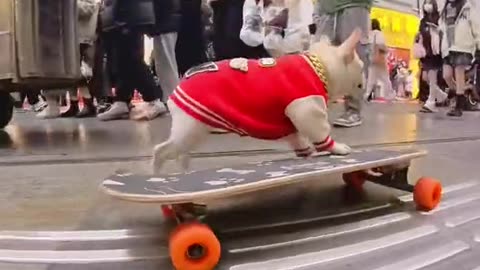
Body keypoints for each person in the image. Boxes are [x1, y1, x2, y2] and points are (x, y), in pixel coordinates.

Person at [97, 0, 167, 121]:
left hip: (127, 14)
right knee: (121, 61)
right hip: (123, 14)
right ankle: (121, 100)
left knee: (132, 60)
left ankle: (154, 99)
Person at [313, 0, 372, 127]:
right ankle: (314, 107)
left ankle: (353, 110)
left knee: (353, 55)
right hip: (326, 8)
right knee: (319, 55)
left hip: (354, 5)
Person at [439, 0, 480, 117]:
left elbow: (477, 27)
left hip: (463, 45)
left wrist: (478, 46)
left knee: (459, 72)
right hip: (448, 46)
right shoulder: (445, 9)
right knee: (446, 75)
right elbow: (442, 27)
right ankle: (461, 90)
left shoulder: (468, 7)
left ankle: (459, 106)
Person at [240, 0, 313, 57]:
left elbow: (298, 45)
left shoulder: (303, 5)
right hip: (270, 60)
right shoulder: (254, 3)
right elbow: (250, 38)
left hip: (301, 58)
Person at [416, 0, 448, 112]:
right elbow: (420, 35)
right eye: (426, 3)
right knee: (426, 78)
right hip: (425, 52)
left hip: (435, 51)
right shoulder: (423, 21)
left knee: (432, 77)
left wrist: (437, 31)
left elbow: (443, 32)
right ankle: (441, 95)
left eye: (429, 2)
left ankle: (431, 102)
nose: (427, 5)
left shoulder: (439, 19)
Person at [152, 0, 182, 100]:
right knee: (165, 63)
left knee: (166, 64)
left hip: (164, 22)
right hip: (167, 21)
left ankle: (172, 97)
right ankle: (170, 96)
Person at [363, 19, 395, 101]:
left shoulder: (370, 34)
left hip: (372, 59)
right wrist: (386, 50)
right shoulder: (378, 33)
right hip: (380, 58)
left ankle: (367, 94)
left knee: (371, 77)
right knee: (385, 77)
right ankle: (390, 94)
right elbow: (380, 45)